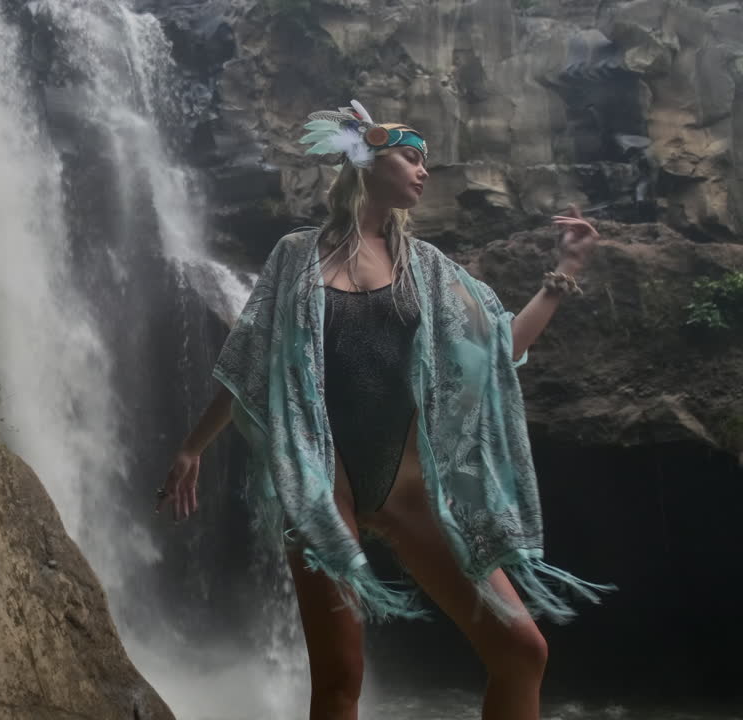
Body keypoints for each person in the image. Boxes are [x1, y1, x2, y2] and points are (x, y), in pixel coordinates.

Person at [155, 100, 612, 720]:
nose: (425, 172)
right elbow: (250, 364)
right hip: (322, 482)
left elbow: (499, 348)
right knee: (341, 680)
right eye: (411, 158)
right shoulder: (296, 255)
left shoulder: (427, 269)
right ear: (369, 162)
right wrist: (192, 447)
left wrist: (564, 271)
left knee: (522, 650)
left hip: (408, 485)